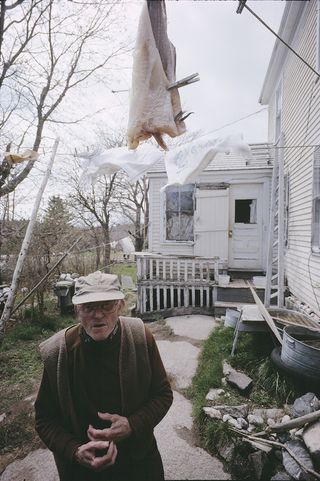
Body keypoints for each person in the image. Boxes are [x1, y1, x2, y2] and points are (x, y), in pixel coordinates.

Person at [35, 271, 173, 481]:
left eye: (106, 305)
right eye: (88, 307)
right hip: (82, 472)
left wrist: (132, 424)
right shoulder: (58, 353)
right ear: (76, 310)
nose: (97, 315)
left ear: (121, 306)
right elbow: (45, 419)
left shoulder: (140, 337)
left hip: (139, 465)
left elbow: (163, 395)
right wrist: (73, 450)